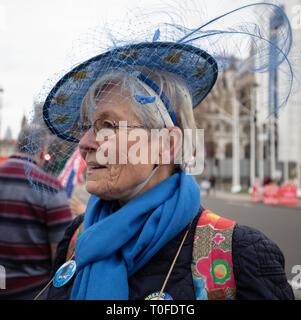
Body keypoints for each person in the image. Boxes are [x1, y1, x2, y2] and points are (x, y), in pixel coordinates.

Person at [32, 3, 295, 300]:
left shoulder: (241, 256)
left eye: (107, 125)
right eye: (87, 126)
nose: (84, 143)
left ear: (166, 146)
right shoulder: (75, 238)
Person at [0, 127, 73, 299]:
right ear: (43, 151)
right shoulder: (50, 188)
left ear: (16, 144)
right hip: (33, 292)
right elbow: (61, 255)